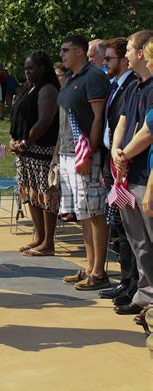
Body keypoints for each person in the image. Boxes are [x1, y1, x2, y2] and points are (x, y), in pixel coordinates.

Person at [56, 34, 111, 290]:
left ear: (80, 51)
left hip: (86, 154)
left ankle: (100, 271)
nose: (62, 55)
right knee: (83, 214)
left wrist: (91, 152)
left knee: (95, 213)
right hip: (68, 153)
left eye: (66, 50)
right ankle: (89, 267)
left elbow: (99, 118)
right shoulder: (70, 79)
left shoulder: (94, 77)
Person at [111, 29, 153, 315]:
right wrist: (116, 150)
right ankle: (145, 295)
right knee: (137, 240)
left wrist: (125, 155)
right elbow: (123, 123)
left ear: (141, 53)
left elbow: (149, 132)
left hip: (143, 176)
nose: (125, 54)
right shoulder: (134, 87)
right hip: (126, 176)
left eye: (128, 49)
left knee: (150, 240)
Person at [98, 38, 138, 305]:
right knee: (121, 227)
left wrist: (120, 157)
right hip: (112, 162)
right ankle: (126, 281)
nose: (105, 63)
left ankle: (134, 285)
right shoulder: (116, 86)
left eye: (109, 59)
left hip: (128, 165)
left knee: (130, 231)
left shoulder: (132, 87)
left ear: (125, 60)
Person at [10, 51, 60, 256]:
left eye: (31, 68)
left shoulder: (48, 89)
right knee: (31, 194)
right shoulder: (29, 88)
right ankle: (38, 237)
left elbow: (44, 122)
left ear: (42, 68)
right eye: (25, 68)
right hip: (25, 153)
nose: (27, 72)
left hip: (42, 151)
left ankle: (48, 242)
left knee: (46, 197)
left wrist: (25, 142)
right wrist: (15, 140)